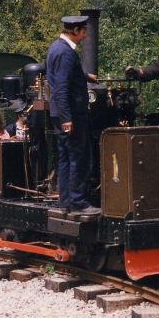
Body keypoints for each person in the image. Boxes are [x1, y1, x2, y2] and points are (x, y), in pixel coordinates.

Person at [47, 15, 100, 215]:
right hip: (70, 114)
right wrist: (67, 118)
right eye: (84, 30)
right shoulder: (65, 52)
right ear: (76, 31)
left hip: (60, 113)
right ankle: (78, 201)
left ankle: (66, 200)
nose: (86, 35)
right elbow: (60, 87)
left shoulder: (56, 47)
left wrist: (86, 76)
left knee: (65, 157)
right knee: (78, 156)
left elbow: (63, 75)